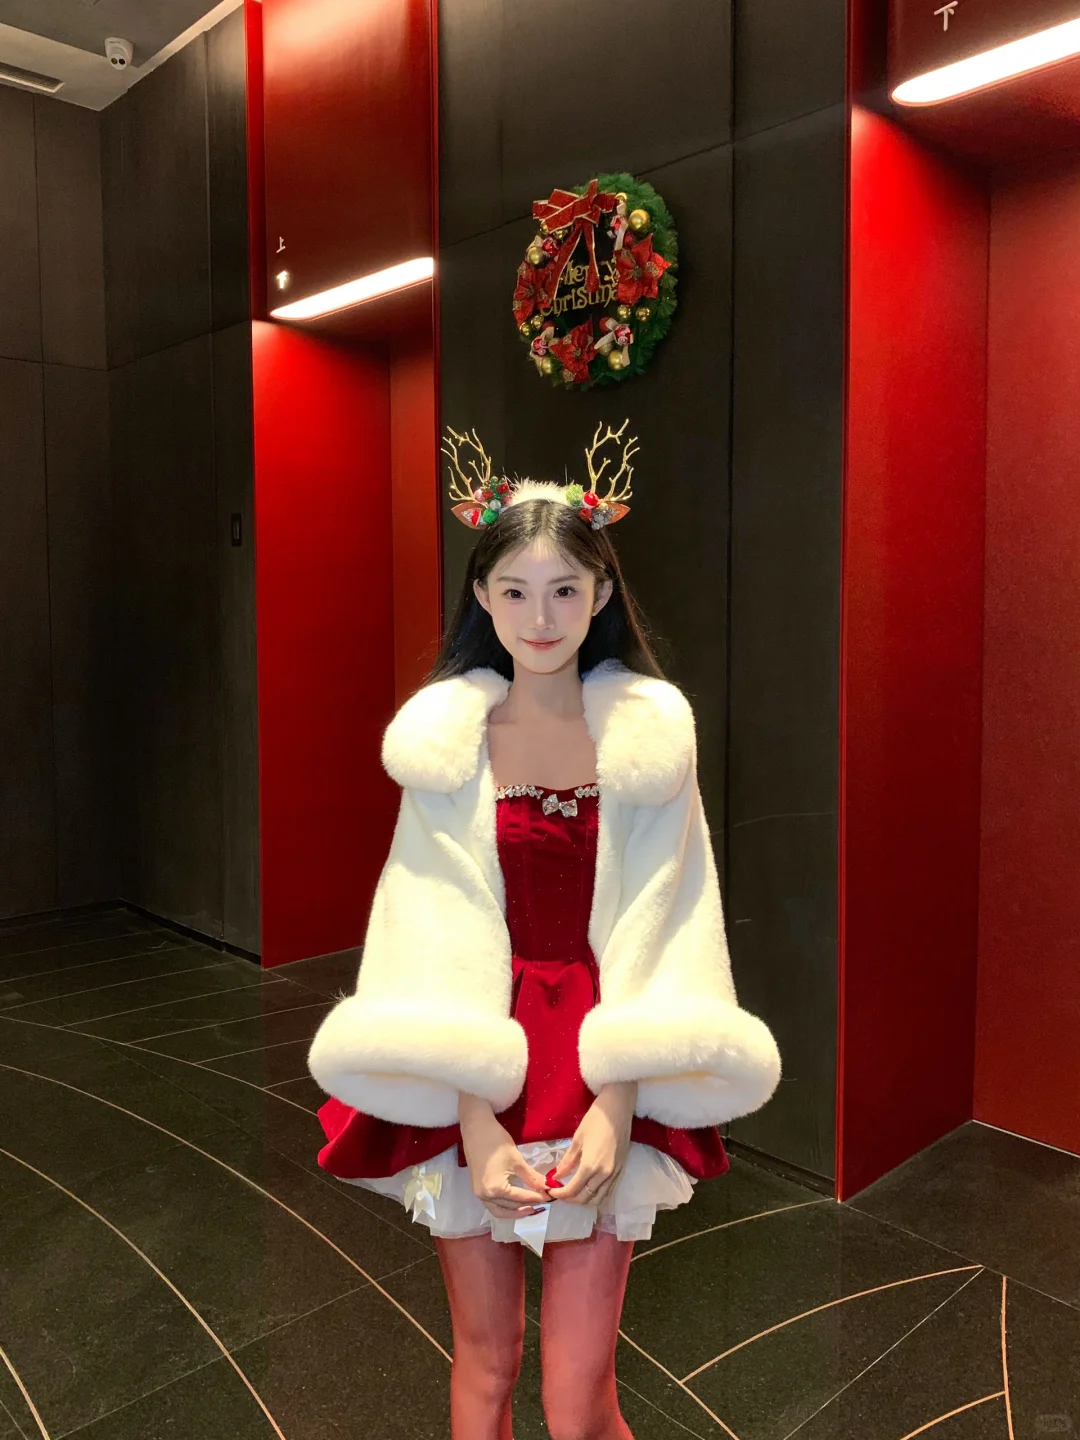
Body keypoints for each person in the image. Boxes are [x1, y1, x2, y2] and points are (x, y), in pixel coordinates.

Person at [307, 422, 782, 1440]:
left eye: (565, 588)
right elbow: (423, 930)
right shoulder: (445, 747)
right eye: (515, 590)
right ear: (480, 597)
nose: (540, 616)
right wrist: (472, 1118)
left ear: (602, 593)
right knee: (486, 1368)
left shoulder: (652, 741)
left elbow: (673, 920)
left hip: (598, 1061)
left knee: (577, 1397)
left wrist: (621, 1100)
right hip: (478, 1066)